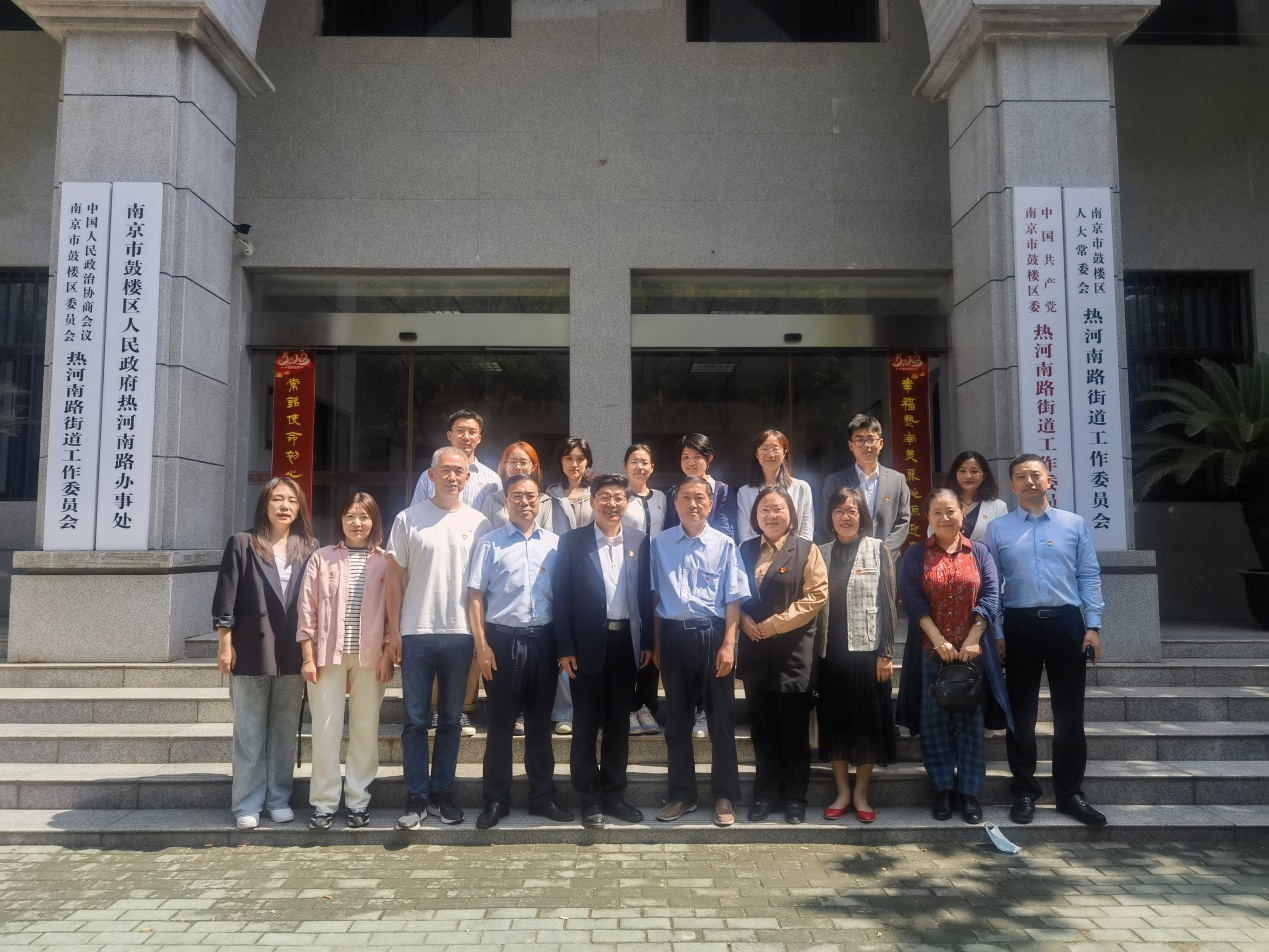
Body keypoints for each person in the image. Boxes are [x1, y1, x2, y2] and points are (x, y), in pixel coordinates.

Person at [986, 454, 1106, 827]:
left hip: (1067, 625)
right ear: (1012, 485)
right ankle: (1024, 792)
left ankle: (1070, 794)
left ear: (1048, 480)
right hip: (1019, 625)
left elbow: (1088, 574)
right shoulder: (998, 529)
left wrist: (1093, 625)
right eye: (1021, 476)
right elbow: (992, 584)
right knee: (1020, 715)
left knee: (1069, 716)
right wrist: (999, 632)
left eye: (1036, 474)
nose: (1029, 481)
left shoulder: (1073, 524)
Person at [386, 446, 492, 829]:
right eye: (445, 470)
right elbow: (393, 580)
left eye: (459, 471)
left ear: (467, 478)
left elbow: (482, 587)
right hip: (416, 632)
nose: (452, 477)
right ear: (430, 475)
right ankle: (416, 797)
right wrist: (393, 631)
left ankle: (442, 793)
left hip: (461, 634)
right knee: (415, 721)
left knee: (450, 720)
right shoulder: (408, 518)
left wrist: (481, 638)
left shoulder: (480, 523)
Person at [897, 488, 1013, 825]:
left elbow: (990, 595)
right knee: (933, 725)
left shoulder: (979, 552)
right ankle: (943, 790)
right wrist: (938, 641)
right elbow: (911, 599)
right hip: (930, 653)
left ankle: (970, 794)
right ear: (928, 518)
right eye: (937, 512)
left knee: (971, 724)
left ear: (962, 514)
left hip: (972, 654)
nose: (945, 518)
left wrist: (973, 638)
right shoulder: (915, 554)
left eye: (951, 511)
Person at [465, 474, 572, 829]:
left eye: (531, 496)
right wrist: (481, 646)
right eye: (517, 496)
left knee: (540, 725)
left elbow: (564, 600)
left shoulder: (556, 545)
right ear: (506, 501)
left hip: (544, 641)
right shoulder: (489, 543)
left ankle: (543, 797)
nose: (524, 502)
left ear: (540, 501)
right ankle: (496, 800)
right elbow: (475, 596)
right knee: (500, 725)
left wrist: (562, 647)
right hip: (502, 643)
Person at [212, 477, 317, 831]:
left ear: (299, 508)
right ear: (264, 505)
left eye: (292, 500)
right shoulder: (243, 543)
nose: (285, 506)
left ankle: (278, 799)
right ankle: (247, 802)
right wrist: (224, 645)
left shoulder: (309, 548)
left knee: (285, 729)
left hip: (292, 650)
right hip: (250, 648)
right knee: (249, 730)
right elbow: (225, 597)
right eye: (277, 499)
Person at [555, 473, 654, 829]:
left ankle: (613, 794)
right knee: (584, 723)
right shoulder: (572, 542)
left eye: (618, 497)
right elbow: (561, 597)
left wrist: (648, 642)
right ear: (593, 501)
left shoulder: (640, 541)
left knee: (618, 723)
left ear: (627, 502)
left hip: (626, 643)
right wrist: (564, 647)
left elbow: (645, 595)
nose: (612, 503)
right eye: (605, 497)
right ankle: (589, 798)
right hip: (585, 647)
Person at [651, 475, 750, 827]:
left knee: (721, 720)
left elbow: (733, 598)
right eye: (685, 498)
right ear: (675, 504)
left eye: (699, 498)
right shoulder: (660, 543)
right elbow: (655, 597)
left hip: (713, 637)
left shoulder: (725, 544)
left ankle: (724, 795)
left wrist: (729, 644)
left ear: (710, 503)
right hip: (674, 638)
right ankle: (682, 795)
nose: (693, 504)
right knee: (677, 722)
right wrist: (657, 645)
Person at [296, 492, 393, 830]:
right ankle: (323, 805)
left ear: (374, 521)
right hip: (327, 657)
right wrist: (307, 657)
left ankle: (357, 801)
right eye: (350, 516)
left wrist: (388, 654)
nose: (356, 523)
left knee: (365, 730)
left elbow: (391, 614)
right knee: (326, 731)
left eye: (364, 516)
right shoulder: (321, 558)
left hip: (371, 657)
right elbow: (307, 610)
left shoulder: (386, 561)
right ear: (341, 519)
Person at [737, 486, 828, 824]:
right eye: (764, 509)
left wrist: (775, 624)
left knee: (793, 731)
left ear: (791, 514)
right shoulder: (744, 550)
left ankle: (794, 799)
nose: (771, 515)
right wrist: (743, 620)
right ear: (755, 516)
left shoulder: (807, 549)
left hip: (793, 652)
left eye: (778, 509)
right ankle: (765, 796)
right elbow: (732, 592)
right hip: (754, 650)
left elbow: (817, 595)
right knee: (762, 731)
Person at [816, 486, 897, 823]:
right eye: (839, 510)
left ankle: (861, 793)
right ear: (830, 517)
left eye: (852, 510)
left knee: (867, 723)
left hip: (867, 654)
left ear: (862, 516)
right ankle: (842, 792)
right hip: (829, 652)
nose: (845, 517)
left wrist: (886, 653)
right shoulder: (820, 552)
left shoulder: (878, 549)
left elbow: (889, 603)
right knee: (834, 722)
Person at [545, 437, 596, 734]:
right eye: (568, 458)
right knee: (563, 642)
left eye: (579, 458)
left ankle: (590, 709)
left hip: (592, 577)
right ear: (560, 461)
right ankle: (564, 711)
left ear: (587, 461)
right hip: (558, 573)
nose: (574, 464)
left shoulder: (597, 493)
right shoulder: (548, 496)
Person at [622, 443, 666, 736]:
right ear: (625, 466)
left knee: (653, 636)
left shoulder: (662, 497)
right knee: (630, 638)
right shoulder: (620, 497)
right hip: (628, 573)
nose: (640, 467)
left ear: (652, 467)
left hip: (658, 574)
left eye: (645, 462)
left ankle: (646, 705)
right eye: (634, 461)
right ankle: (628, 705)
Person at [823, 414, 911, 558]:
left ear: (881, 443)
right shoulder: (835, 481)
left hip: (888, 560)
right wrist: (850, 553)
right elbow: (828, 521)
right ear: (851, 445)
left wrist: (883, 553)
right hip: (847, 559)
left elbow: (903, 521)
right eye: (859, 440)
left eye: (870, 439)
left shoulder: (897, 480)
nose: (866, 445)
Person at [737, 429, 815, 545]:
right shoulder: (744, 492)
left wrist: (797, 553)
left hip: (796, 553)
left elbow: (807, 532)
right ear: (756, 454)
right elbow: (745, 536)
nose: (770, 454)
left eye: (775, 449)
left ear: (784, 453)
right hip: (757, 554)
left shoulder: (801, 488)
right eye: (764, 449)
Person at [410, 409, 501, 508]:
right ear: (449, 435)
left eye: (472, 432)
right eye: (460, 431)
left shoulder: (492, 479)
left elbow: (498, 516)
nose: (466, 437)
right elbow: (416, 513)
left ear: (478, 438)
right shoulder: (430, 476)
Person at [664, 433, 738, 542]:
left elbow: (725, 531)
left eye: (697, 457)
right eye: (685, 457)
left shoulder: (722, 490)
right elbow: (669, 529)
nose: (691, 462)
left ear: (709, 458)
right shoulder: (673, 492)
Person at [477, 441, 555, 531]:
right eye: (513, 462)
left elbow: (547, 533)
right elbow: (484, 533)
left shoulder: (544, 501)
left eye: (523, 462)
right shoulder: (492, 500)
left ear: (533, 466)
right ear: (505, 465)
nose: (517, 467)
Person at [942, 451, 1009, 542]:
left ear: (984, 475)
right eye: (962, 471)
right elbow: (933, 535)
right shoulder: (942, 503)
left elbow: (1002, 541)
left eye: (974, 471)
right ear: (955, 475)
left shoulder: (998, 507)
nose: (968, 476)